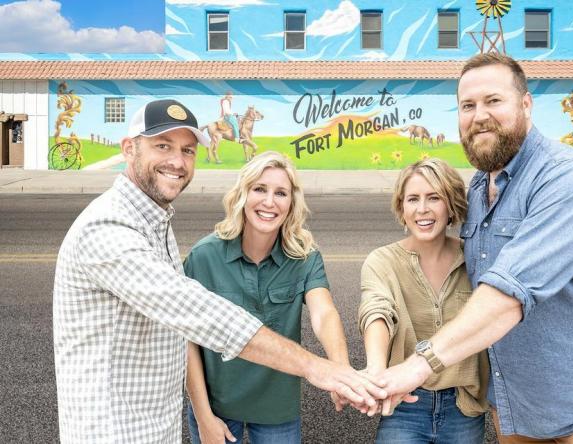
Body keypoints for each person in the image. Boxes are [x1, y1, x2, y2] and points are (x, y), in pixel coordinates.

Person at [52, 99, 386, 443]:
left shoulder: (154, 221)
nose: (177, 161)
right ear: (128, 148)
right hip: (113, 431)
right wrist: (319, 369)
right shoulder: (109, 226)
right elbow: (196, 314)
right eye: (162, 146)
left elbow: (323, 312)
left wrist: (340, 366)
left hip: (152, 426)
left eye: (188, 150)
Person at [374, 53, 573, 443]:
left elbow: (510, 291)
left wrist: (419, 364)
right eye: (467, 106)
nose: (479, 115)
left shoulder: (568, 175)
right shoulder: (476, 190)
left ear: (525, 104)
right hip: (518, 408)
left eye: (493, 101)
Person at [184, 151, 351, 444]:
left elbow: (323, 313)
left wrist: (341, 370)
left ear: (292, 203)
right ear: (243, 194)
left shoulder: (305, 256)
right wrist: (203, 416)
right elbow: (186, 343)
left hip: (277, 409)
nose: (269, 202)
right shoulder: (203, 256)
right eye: (260, 189)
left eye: (281, 193)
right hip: (217, 406)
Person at [358, 158, 488, 443]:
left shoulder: (475, 260)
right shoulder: (382, 261)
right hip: (405, 403)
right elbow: (376, 311)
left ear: (451, 204)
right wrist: (376, 368)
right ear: (401, 207)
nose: (422, 209)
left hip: (463, 406)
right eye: (413, 199)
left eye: (434, 198)